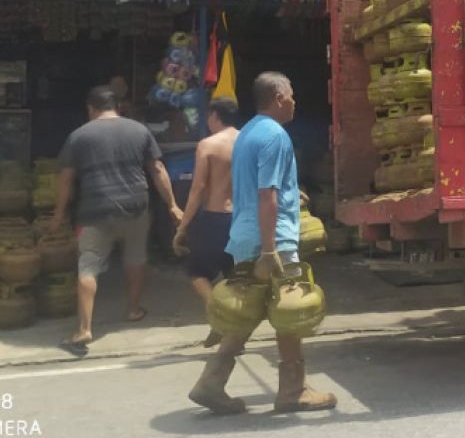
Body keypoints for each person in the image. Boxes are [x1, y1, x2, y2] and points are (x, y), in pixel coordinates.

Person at [188, 72, 336, 415]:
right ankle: (293, 390)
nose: (296, 102)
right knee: (291, 309)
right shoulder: (275, 135)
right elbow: (266, 193)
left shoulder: (249, 133)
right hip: (271, 240)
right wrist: (270, 250)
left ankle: (211, 382)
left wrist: (289, 191)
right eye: (293, 95)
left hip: (243, 236)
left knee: (248, 311)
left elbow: (263, 187)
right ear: (280, 96)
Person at [52, 85, 183, 357]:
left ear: (91, 107)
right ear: (118, 106)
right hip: (136, 206)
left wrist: (59, 214)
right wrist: (172, 205)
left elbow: (66, 179)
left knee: (88, 264)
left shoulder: (79, 136)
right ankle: (133, 309)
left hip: (94, 209)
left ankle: (84, 328)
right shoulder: (138, 130)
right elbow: (157, 168)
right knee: (136, 259)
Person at [173, 97, 240, 347]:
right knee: (235, 277)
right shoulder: (248, 141)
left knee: (196, 271)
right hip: (243, 219)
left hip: (216, 217)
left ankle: (221, 320)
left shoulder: (208, 145)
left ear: (214, 116)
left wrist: (183, 226)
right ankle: (234, 334)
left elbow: (198, 189)